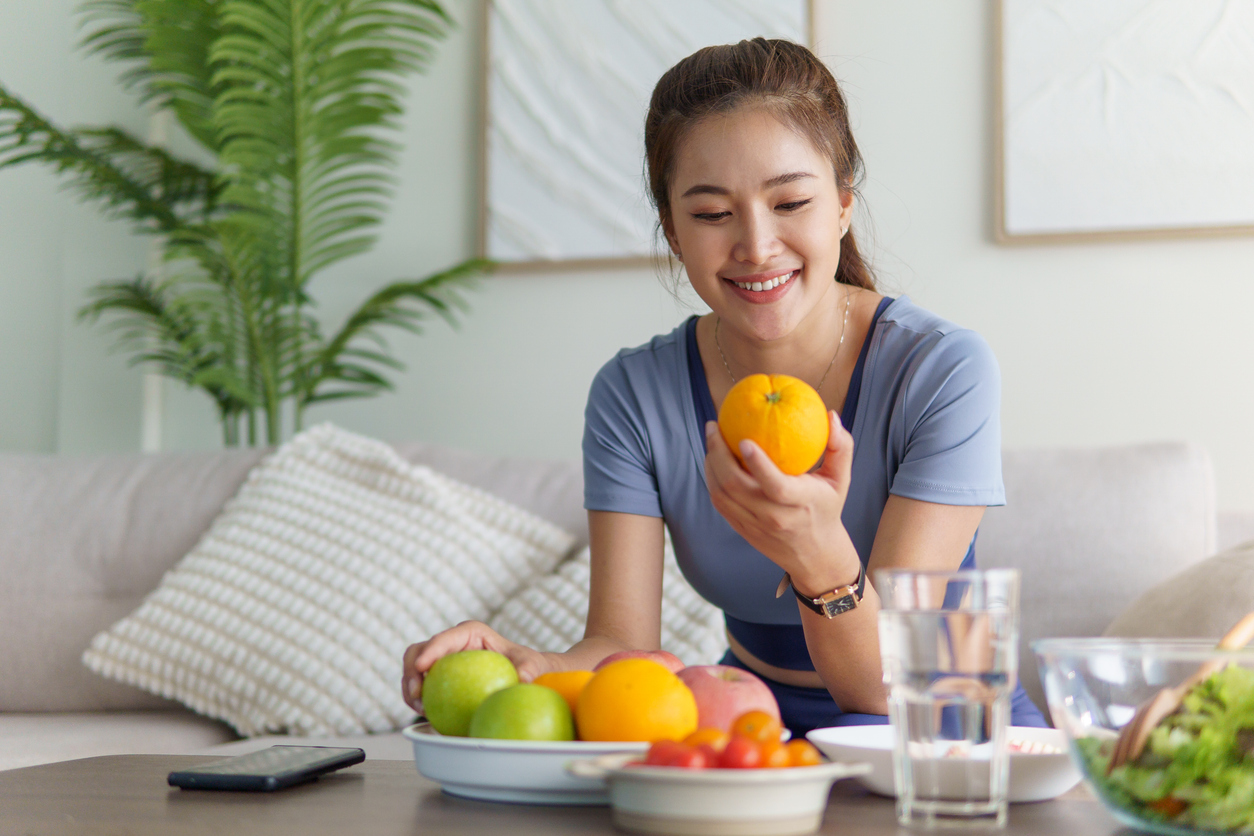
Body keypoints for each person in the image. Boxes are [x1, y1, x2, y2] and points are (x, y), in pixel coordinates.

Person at [401, 37, 1046, 735]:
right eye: (711, 214)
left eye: (791, 201)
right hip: (747, 736)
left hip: (953, 742)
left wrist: (816, 551)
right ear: (674, 234)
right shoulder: (633, 394)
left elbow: (882, 690)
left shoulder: (940, 370)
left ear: (842, 206)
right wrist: (524, 666)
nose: (757, 245)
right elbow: (622, 649)